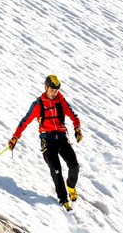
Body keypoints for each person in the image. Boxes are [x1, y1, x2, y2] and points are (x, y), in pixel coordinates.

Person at [8, 75, 83, 211]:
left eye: (56, 90)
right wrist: (15, 137)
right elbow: (24, 122)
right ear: (46, 88)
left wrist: (77, 129)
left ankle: (71, 186)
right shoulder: (38, 105)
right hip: (47, 141)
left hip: (61, 138)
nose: (54, 93)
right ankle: (63, 200)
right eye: (52, 90)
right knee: (56, 171)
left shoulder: (61, 102)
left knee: (74, 166)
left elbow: (74, 116)